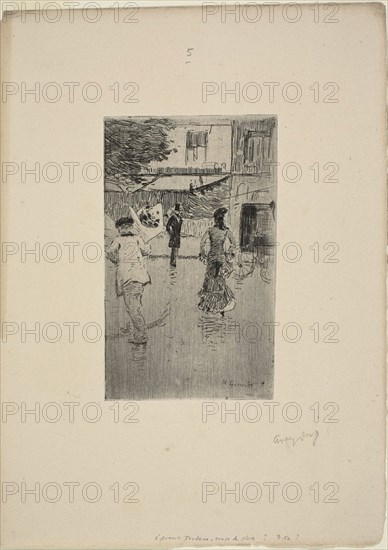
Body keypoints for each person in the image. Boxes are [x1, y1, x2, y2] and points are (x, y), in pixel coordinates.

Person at [107, 216, 151, 344]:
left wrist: (116, 261)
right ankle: (137, 332)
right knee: (135, 306)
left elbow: (109, 252)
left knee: (132, 309)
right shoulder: (137, 239)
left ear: (119, 229)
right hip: (139, 278)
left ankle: (141, 336)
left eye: (126, 226)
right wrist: (148, 246)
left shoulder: (118, 240)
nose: (126, 229)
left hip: (128, 278)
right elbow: (146, 250)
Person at [198, 207, 237, 315]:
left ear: (215, 220)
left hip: (211, 258)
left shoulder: (210, 230)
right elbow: (234, 243)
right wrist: (229, 253)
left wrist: (203, 253)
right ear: (222, 219)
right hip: (220, 258)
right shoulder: (226, 231)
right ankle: (221, 306)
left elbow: (202, 242)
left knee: (210, 281)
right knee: (219, 281)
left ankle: (209, 306)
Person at [166, 203, 183, 268]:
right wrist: (171, 234)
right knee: (174, 250)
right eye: (178, 211)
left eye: (179, 211)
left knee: (176, 250)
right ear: (175, 211)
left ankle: (174, 262)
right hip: (173, 236)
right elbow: (168, 227)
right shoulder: (172, 218)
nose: (179, 212)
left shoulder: (180, 219)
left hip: (178, 236)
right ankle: (172, 264)